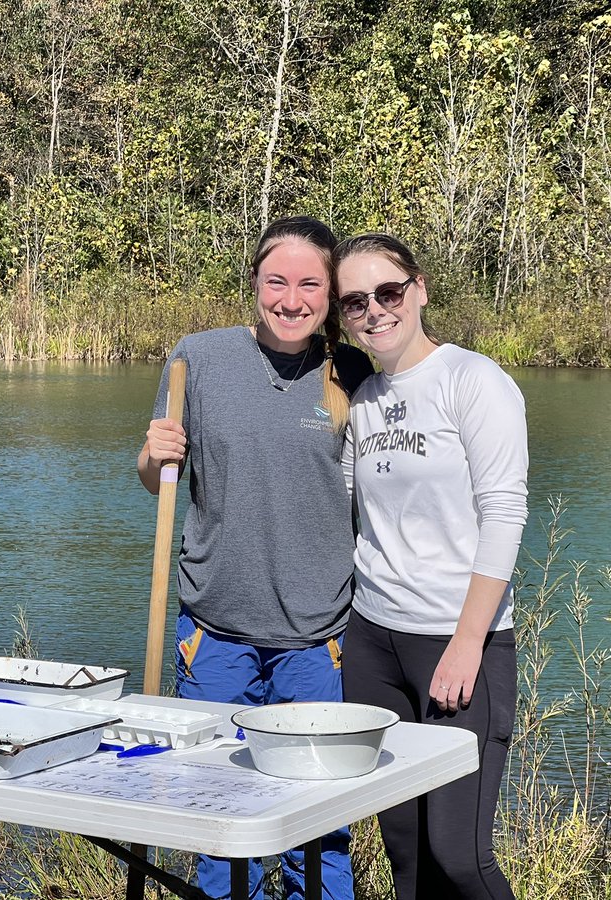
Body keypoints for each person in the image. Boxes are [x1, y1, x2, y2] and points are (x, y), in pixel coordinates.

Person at [138, 215, 373, 900]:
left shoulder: (353, 370)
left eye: (309, 285)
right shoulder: (196, 360)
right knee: (217, 815)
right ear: (254, 282)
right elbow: (157, 479)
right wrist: (153, 456)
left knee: (320, 827)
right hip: (214, 632)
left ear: (330, 296)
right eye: (277, 281)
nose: (291, 299)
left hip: (317, 639)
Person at [335, 233, 527, 900]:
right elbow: (345, 507)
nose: (373, 311)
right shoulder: (360, 400)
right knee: (407, 851)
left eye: (387, 292)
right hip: (372, 644)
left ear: (418, 290)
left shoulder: (473, 380)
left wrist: (467, 642)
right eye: (354, 301)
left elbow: (504, 515)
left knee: (460, 855)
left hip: (458, 643)